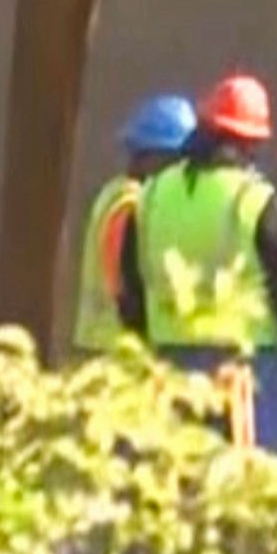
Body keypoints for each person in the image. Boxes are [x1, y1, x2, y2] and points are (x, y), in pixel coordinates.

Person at [126, 71, 277, 453]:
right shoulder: (255, 200)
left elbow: (131, 284)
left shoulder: (153, 194)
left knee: (174, 482)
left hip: (169, 362)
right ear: (252, 143)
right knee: (251, 487)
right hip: (246, 370)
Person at [71, 92, 197, 356]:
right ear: (153, 156)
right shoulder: (130, 203)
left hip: (107, 343)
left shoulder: (117, 194)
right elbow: (122, 278)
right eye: (178, 160)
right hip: (116, 348)